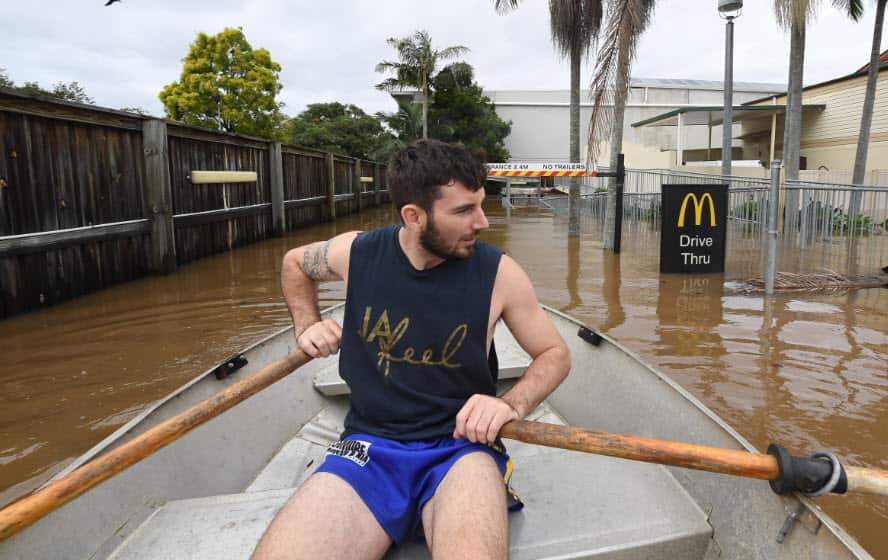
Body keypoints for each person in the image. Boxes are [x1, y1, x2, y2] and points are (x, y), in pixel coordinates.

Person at [252, 139, 570, 560]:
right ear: (413, 216)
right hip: (367, 446)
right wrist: (307, 324)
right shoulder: (357, 252)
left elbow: (554, 353)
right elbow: (295, 263)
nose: (483, 222)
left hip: (461, 447)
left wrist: (511, 404)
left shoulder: (499, 273)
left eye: (480, 204)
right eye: (463, 211)